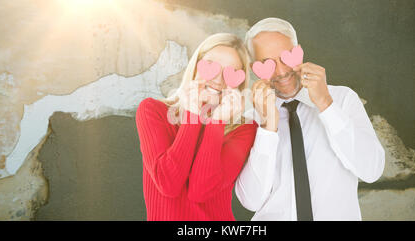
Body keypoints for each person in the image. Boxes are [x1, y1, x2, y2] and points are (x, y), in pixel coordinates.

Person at [235, 18, 385, 221]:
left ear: (299, 52)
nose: (281, 72)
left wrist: (326, 104)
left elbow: (372, 170)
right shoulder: (250, 121)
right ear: (255, 69)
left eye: (285, 57)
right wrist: (267, 127)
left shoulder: (342, 99)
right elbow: (250, 201)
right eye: (267, 63)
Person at [136, 33, 258, 220]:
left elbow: (200, 192)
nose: (218, 79)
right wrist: (192, 116)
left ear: (239, 83)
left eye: (230, 72)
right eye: (211, 65)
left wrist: (217, 122)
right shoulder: (152, 111)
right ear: (195, 65)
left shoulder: (243, 129)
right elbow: (168, 184)